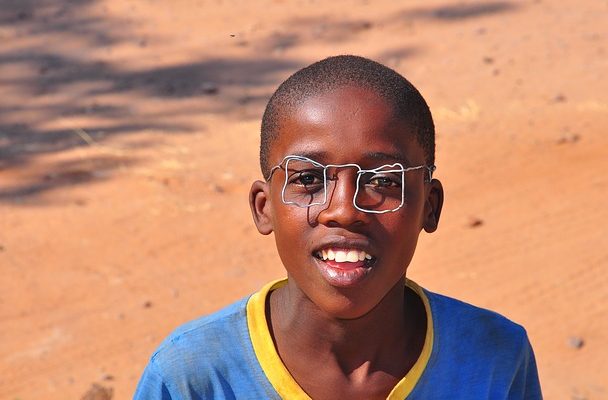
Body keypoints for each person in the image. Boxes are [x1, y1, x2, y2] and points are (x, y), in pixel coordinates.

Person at [133, 55, 542, 399]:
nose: (344, 211)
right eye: (309, 180)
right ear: (264, 208)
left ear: (429, 207)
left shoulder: (494, 358)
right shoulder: (193, 378)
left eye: (383, 181)